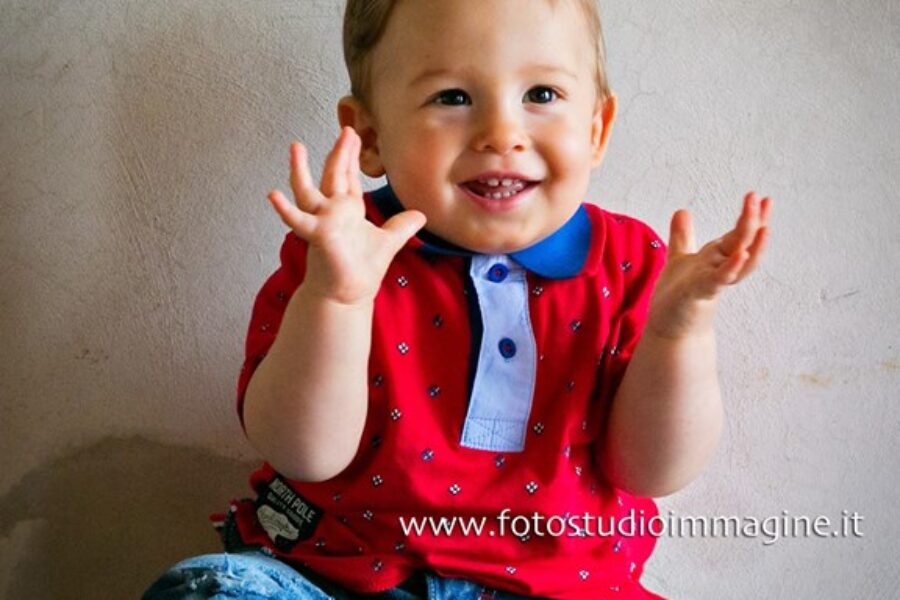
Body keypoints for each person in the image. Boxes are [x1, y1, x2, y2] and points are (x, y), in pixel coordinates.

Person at [142, 0, 772, 598]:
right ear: (370, 136)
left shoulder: (633, 265)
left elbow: (650, 474)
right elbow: (303, 453)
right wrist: (337, 298)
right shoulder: (341, 250)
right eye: (452, 97)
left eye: (541, 95)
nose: (501, 133)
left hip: (562, 586)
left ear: (597, 128)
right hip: (340, 576)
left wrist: (678, 333)